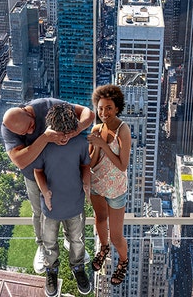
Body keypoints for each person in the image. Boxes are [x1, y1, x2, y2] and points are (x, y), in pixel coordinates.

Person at [1, 98, 94, 274]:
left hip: (63, 169)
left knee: (71, 207)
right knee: (39, 212)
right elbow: (20, 161)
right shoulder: (8, 128)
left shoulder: (46, 106)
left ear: (28, 112)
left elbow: (88, 114)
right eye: (24, 133)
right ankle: (42, 246)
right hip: (34, 175)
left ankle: (70, 240)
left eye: (31, 125)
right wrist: (45, 138)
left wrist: (73, 131)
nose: (30, 131)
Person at [33, 103, 92, 296]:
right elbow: (38, 171)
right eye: (61, 132)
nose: (65, 137)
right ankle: (51, 271)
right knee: (49, 243)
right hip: (50, 206)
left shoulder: (81, 143)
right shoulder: (44, 146)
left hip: (75, 202)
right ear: (52, 128)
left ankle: (78, 268)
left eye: (69, 132)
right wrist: (45, 191)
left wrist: (86, 183)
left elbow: (85, 165)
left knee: (78, 240)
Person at [87, 85, 130, 286]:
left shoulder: (123, 130)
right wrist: (96, 146)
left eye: (109, 108)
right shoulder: (96, 129)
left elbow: (123, 165)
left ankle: (123, 261)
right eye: (101, 108)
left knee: (116, 235)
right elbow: (92, 163)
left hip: (116, 188)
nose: (104, 113)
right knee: (100, 221)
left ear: (117, 108)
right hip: (97, 184)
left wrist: (103, 145)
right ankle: (103, 249)